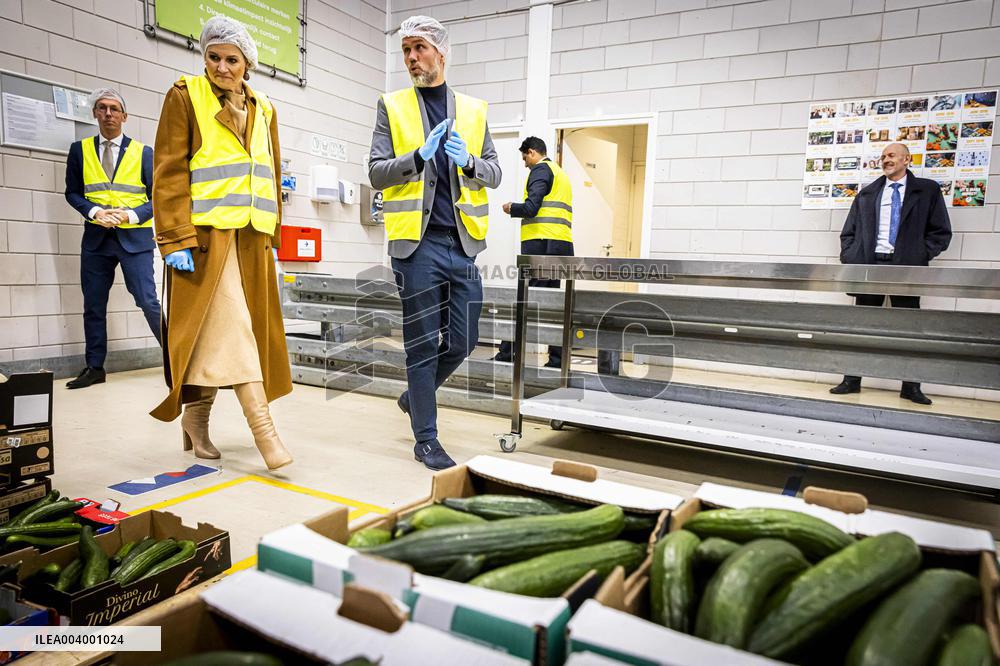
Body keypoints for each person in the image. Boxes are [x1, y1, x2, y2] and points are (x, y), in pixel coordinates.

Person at [150, 16, 292, 470]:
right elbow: (169, 172)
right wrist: (174, 238)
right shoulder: (184, 95)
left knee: (213, 335)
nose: (221, 67)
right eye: (213, 57)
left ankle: (196, 421)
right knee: (235, 332)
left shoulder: (265, 108)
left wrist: (273, 235)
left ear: (247, 63)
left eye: (232, 59)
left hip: (252, 241)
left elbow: (271, 173)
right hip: (205, 240)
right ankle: (265, 433)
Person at [369, 15, 502, 470]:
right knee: (422, 345)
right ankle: (426, 439)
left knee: (464, 341)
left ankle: (415, 396)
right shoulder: (391, 106)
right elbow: (376, 173)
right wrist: (416, 157)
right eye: (406, 49)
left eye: (419, 48)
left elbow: (494, 172)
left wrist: (470, 163)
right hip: (416, 246)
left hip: (462, 243)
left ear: (440, 53)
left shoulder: (474, 110)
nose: (411, 57)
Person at [832, 142, 952, 405]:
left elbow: (941, 231)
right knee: (862, 326)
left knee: (909, 329)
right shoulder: (868, 193)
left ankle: (910, 386)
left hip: (907, 266)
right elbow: (848, 232)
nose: (886, 159)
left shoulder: (927, 190)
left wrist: (920, 253)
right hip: (870, 264)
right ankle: (852, 380)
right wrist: (851, 256)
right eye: (883, 156)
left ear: (907, 159)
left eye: (892, 155)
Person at [63, 89, 161, 389]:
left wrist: (130, 215)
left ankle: (177, 359)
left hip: (135, 239)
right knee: (93, 305)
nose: (108, 114)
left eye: (114, 109)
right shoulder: (79, 150)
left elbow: (158, 197)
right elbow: (72, 193)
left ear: (124, 116)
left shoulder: (144, 153)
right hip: (96, 240)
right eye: (102, 108)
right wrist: (94, 212)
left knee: (147, 300)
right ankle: (95, 367)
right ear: (95, 113)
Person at [497, 136, 573, 368]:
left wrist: (511, 208)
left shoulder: (540, 170)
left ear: (531, 152)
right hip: (559, 246)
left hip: (542, 246)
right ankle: (557, 360)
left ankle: (507, 354)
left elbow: (531, 208)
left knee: (525, 301)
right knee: (552, 306)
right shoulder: (559, 172)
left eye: (524, 158)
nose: (524, 164)